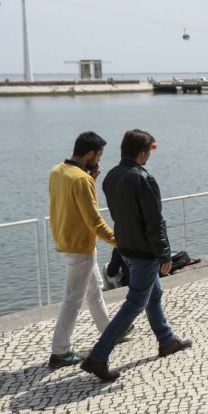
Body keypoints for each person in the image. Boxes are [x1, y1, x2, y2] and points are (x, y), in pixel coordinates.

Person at [80, 130, 191, 382]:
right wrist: (164, 254)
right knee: (135, 304)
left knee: (155, 294)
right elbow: (154, 221)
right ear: (143, 151)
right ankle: (98, 356)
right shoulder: (143, 179)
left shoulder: (110, 177)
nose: (150, 155)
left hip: (125, 248)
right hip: (144, 253)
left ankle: (166, 340)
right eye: (150, 150)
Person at [47, 132, 118, 370]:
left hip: (65, 239)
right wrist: (120, 241)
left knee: (94, 290)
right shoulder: (81, 180)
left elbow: (73, 203)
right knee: (73, 299)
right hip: (81, 246)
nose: (99, 160)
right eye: (98, 156)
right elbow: (94, 219)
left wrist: (92, 180)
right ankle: (60, 351)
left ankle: (109, 331)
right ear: (89, 154)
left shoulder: (57, 171)